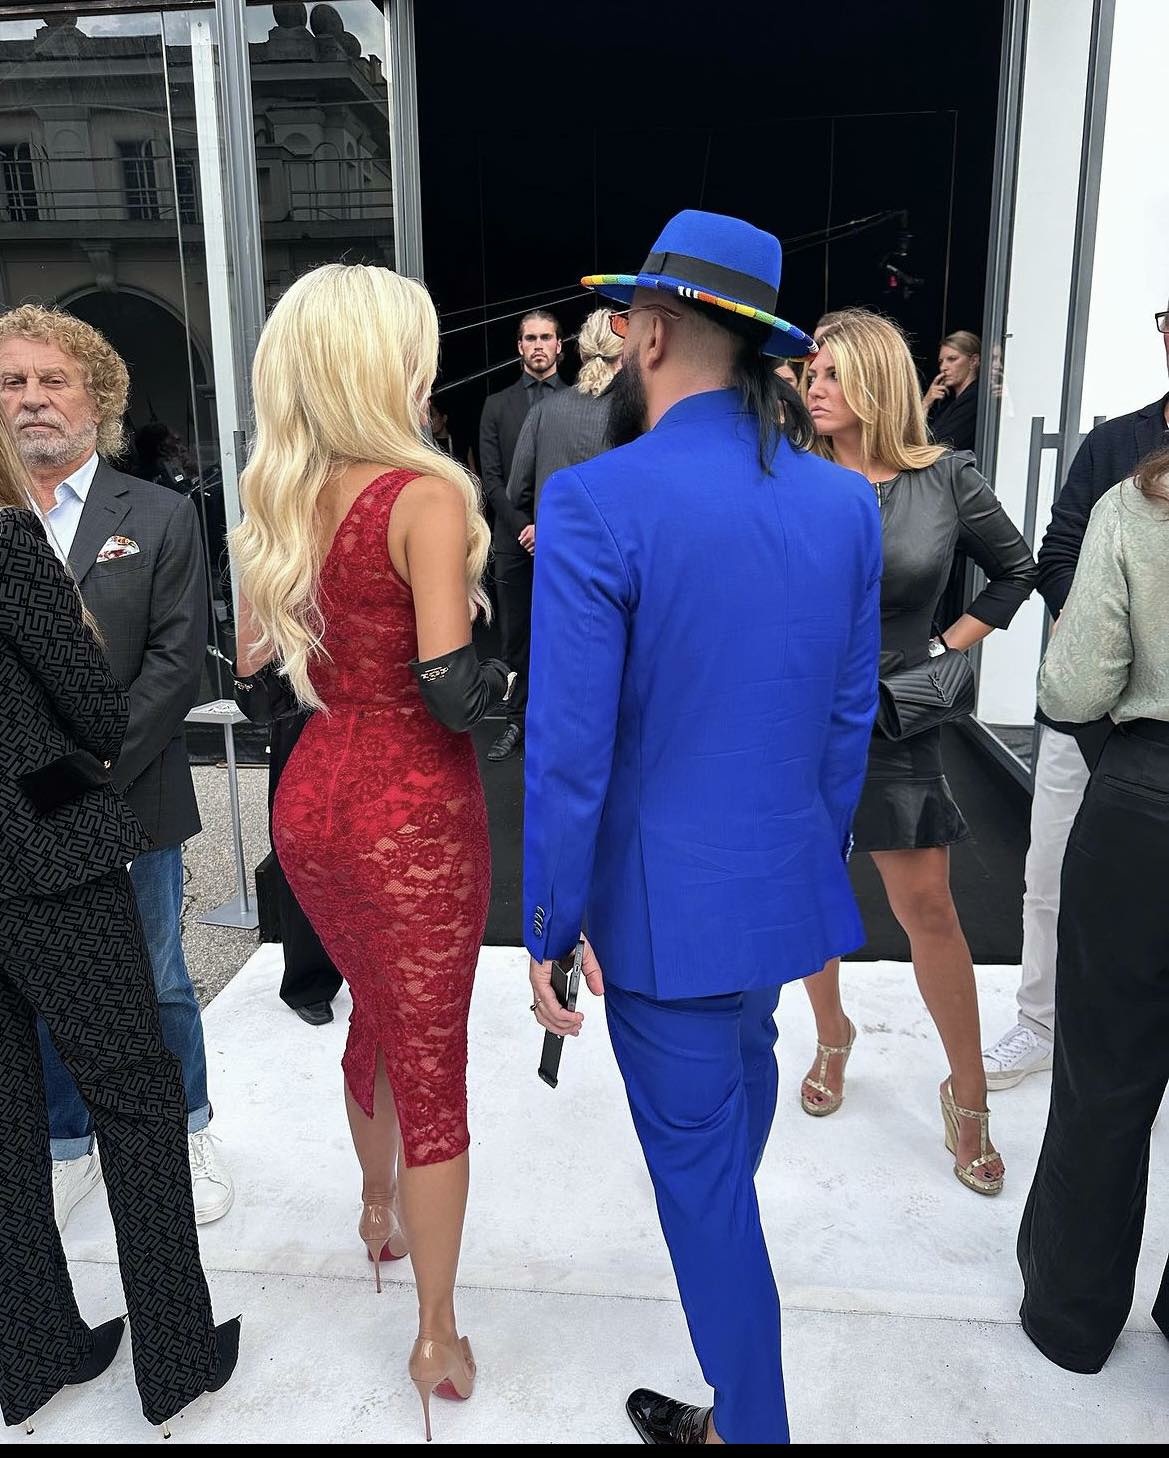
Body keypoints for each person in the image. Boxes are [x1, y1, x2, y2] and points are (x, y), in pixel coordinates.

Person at [524, 209, 882, 1445]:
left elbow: (568, 751)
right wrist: (796, 860)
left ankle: (749, 1428)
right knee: (729, 1126)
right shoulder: (841, 505)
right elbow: (844, 721)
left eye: (629, 325)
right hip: (769, 893)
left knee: (706, 1199)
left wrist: (548, 924)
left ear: (652, 333)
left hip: (661, 917)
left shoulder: (595, 499)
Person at [231, 262, 511, 1441]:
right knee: (430, 1050)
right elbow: (449, 689)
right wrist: (522, 695)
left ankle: (373, 1208)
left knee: (374, 1016)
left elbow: (254, 666)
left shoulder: (278, 494)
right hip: (412, 811)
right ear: (381, 360)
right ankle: (436, 1330)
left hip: (313, 800)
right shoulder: (422, 494)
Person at [0, 413, 239, 1436]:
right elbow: (98, 713)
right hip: (49, 855)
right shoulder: (11, 542)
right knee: (138, 1101)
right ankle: (175, 1361)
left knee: (5, 1117)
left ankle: (32, 1354)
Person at [797, 308, 1036, 1196]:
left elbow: (1018, 570)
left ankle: (965, 1093)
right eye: (809, 374)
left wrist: (945, 648)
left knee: (927, 905)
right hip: (799, 716)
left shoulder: (944, 478)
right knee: (809, 888)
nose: (813, 388)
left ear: (875, 381)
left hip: (899, 713)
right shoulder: (789, 473)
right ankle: (831, 1035)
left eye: (831, 374)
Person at [983, 300, 1169, 1088]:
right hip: (1084, 711)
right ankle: (1038, 1020)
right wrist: (1088, 613)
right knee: (1052, 873)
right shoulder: (1114, 443)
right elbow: (1057, 550)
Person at [1018, 442, 1169, 1373]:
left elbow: (1072, 685)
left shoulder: (1140, 502)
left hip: (1147, 800)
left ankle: (1070, 1316)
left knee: (1104, 1075)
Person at [232, 664, 344, 1026]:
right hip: (304, 706)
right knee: (302, 851)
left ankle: (385, 969)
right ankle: (309, 979)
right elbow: (262, 703)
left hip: (380, 711)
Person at [478, 309, 565, 761]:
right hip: (514, 542)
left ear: (560, 345)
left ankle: (555, 724)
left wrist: (549, 527)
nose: (538, 345)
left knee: (563, 633)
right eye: (530, 338)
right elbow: (490, 480)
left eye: (546, 337)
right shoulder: (497, 406)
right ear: (519, 347)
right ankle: (515, 721)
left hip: (564, 541)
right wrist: (524, 528)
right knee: (515, 636)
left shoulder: (578, 403)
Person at [506, 306, 621, 533]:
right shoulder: (637, 413)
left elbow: (515, 492)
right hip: (611, 545)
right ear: (624, 354)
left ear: (582, 353)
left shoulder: (541, 410)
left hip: (554, 543)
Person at [922, 330, 981, 452]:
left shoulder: (975, 399)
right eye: (941, 361)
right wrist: (926, 403)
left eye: (952, 359)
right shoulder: (947, 401)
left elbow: (938, 447)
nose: (943, 367)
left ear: (973, 361)